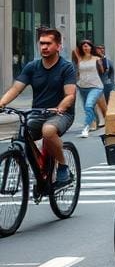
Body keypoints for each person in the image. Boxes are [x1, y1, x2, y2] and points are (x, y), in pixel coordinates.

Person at [0, 29, 77, 187]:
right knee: (21, 132)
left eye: (48, 43)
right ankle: (40, 169)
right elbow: (16, 89)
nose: (44, 47)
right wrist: (2, 103)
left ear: (58, 47)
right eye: (42, 43)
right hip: (37, 113)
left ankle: (63, 167)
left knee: (48, 131)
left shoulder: (66, 67)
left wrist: (60, 107)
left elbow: (70, 95)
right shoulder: (32, 67)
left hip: (61, 115)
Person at [71, 39, 104, 138]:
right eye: (84, 46)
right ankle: (93, 123)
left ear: (91, 47)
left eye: (88, 45)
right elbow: (74, 51)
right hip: (82, 86)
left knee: (89, 105)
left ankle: (86, 128)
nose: (86, 47)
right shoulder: (80, 59)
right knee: (87, 107)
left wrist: (101, 61)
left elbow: (102, 71)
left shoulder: (96, 59)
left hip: (95, 86)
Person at [95, 44, 115, 124]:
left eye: (102, 48)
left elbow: (111, 72)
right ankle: (99, 120)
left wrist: (111, 83)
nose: (101, 50)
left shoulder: (107, 61)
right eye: (99, 48)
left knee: (107, 102)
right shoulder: (94, 60)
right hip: (96, 84)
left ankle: (108, 119)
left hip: (107, 84)